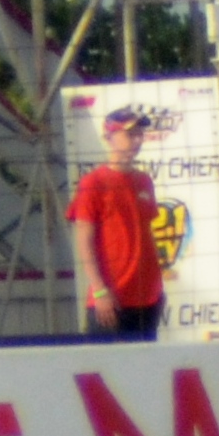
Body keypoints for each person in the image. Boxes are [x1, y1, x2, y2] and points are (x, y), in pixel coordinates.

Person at [67, 107, 166, 339]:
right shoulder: (94, 183)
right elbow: (84, 241)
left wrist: (158, 288)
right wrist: (100, 290)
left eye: (140, 134)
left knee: (145, 368)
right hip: (112, 297)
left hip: (147, 296)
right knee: (109, 368)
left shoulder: (143, 181)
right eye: (131, 134)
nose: (138, 140)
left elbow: (145, 235)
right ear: (109, 137)